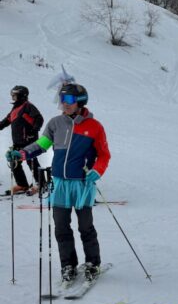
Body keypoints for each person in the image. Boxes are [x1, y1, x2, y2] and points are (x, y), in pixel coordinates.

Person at [7, 83, 110, 282]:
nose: (64, 103)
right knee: (61, 227)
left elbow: (104, 155)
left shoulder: (94, 127)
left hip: (81, 184)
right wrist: (22, 153)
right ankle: (68, 265)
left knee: (85, 227)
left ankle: (92, 263)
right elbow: (41, 145)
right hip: (60, 184)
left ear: (80, 101)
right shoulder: (55, 123)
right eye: (62, 99)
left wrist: (97, 170)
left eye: (69, 100)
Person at [1, 85, 43, 194]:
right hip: (18, 141)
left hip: (29, 141)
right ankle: (22, 185)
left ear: (21, 96)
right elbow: (7, 120)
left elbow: (39, 118)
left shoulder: (28, 106)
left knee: (32, 162)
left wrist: (34, 130)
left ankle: (42, 184)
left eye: (14, 95)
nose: (12, 97)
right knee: (14, 160)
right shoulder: (15, 108)